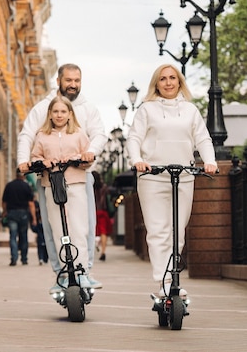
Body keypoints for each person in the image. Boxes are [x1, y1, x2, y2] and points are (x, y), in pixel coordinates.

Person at [126, 63, 217, 298]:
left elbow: (203, 139)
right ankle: (164, 281)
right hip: (153, 176)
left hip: (184, 176)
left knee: (178, 230)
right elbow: (134, 137)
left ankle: (174, 277)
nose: (168, 82)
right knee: (158, 230)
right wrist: (137, 160)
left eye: (172, 78)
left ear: (179, 82)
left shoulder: (190, 110)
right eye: (163, 79)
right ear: (156, 83)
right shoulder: (147, 110)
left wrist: (210, 161)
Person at [17, 63, 107, 292]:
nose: (73, 85)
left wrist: (90, 152)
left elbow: (99, 135)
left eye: (77, 81)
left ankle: (84, 270)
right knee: (52, 225)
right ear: (58, 81)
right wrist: (23, 161)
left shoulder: (88, 109)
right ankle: (60, 273)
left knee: (84, 225)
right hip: (50, 178)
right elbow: (28, 134)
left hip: (80, 176)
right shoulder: (43, 108)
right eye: (69, 80)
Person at [30, 95, 96, 289]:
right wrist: (42, 163)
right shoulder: (42, 135)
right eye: (56, 111)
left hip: (75, 184)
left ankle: (82, 271)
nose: (59, 115)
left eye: (63, 111)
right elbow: (35, 157)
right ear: (50, 114)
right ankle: (65, 274)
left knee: (78, 228)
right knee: (59, 229)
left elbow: (88, 158)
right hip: (52, 185)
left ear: (70, 114)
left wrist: (80, 157)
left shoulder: (78, 134)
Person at [1, 172, 37, 266]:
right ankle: (24, 259)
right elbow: (31, 204)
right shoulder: (26, 186)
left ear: (16, 175)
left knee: (13, 236)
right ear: (24, 176)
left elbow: (4, 201)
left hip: (12, 213)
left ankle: (14, 258)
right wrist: (34, 218)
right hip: (23, 214)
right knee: (23, 236)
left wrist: (4, 212)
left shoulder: (9, 186)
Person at [92, 171, 112, 261]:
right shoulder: (104, 187)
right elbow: (108, 199)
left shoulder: (90, 187)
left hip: (93, 211)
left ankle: (92, 248)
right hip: (103, 212)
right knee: (103, 232)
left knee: (92, 231)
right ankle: (103, 251)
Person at [30, 199, 48, 265]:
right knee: (42, 245)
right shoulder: (38, 221)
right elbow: (34, 228)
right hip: (41, 236)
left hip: (43, 235)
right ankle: (41, 258)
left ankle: (44, 259)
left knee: (44, 245)